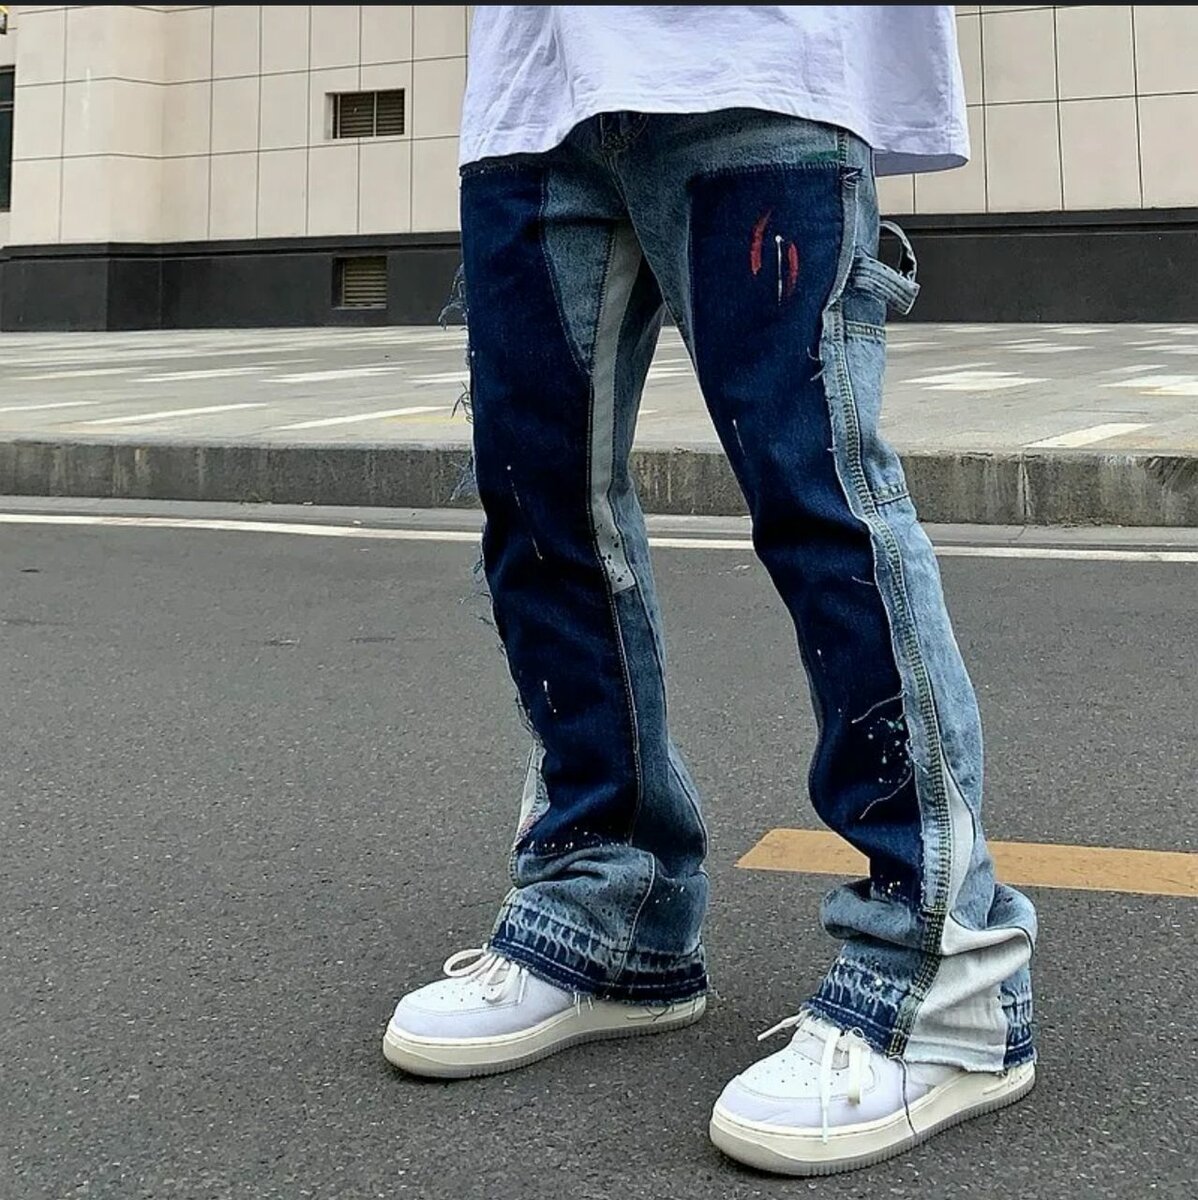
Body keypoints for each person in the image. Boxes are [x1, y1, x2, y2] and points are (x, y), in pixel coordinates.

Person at [383, 5, 1037, 1177]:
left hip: (758, 58)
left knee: (819, 496)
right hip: (535, 84)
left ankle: (942, 970)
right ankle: (606, 908)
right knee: (538, 508)